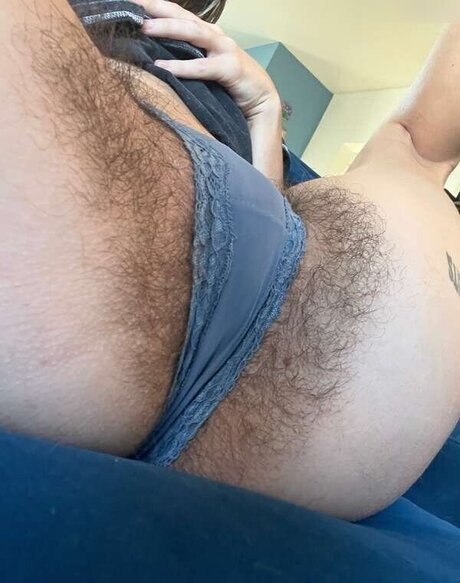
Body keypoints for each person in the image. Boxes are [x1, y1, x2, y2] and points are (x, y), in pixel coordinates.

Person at [1, 0, 459, 522]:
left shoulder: (207, 61)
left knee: (416, 147)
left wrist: (264, 114)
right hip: (120, 231)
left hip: (288, 296)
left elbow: (265, 219)